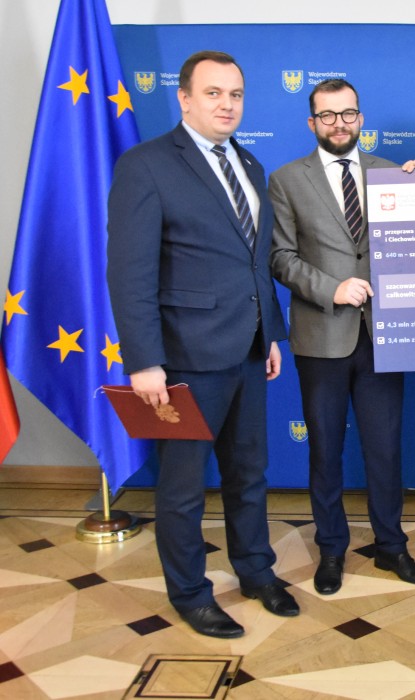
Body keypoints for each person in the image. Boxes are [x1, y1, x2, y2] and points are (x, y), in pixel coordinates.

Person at [107, 51, 296, 639]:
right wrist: (144, 361)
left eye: (235, 94)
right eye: (213, 93)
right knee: (184, 488)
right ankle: (190, 593)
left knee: (249, 473)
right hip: (183, 358)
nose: (227, 104)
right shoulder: (147, 165)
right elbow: (129, 273)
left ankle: (256, 571)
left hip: (248, 350)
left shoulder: (250, 163)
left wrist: (270, 333)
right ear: (184, 98)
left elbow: (254, 262)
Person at [269, 79, 415, 595]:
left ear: (360, 118)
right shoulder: (286, 180)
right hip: (322, 336)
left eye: (348, 114)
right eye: (327, 115)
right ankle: (331, 549)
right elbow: (280, 257)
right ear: (312, 122)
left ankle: (391, 546)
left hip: (385, 335)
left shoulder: (392, 173)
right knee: (325, 450)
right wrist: (332, 289)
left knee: (385, 449)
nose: (338, 123)